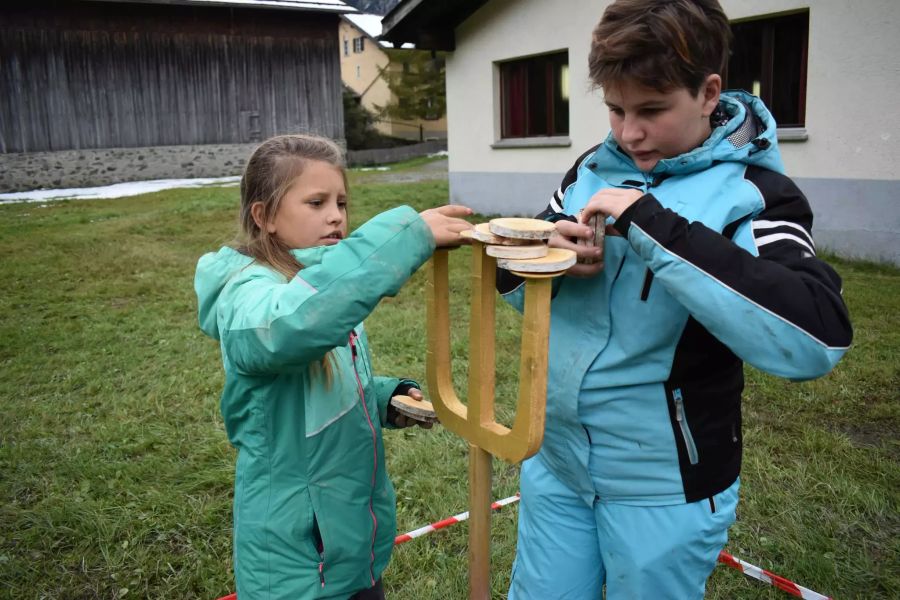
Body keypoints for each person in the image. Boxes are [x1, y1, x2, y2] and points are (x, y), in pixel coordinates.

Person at [497, 1, 853, 598]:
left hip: (665, 487)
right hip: (555, 465)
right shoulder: (591, 167)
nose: (627, 132)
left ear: (710, 92)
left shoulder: (759, 195)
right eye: (615, 108)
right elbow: (513, 284)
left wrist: (653, 225)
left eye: (652, 110)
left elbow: (817, 338)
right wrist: (547, 261)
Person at [194, 134, 472, 599]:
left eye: (341, 201)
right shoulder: (248, 293)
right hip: (294, 559)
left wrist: (383, 397)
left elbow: (317, 384)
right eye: (316, 201)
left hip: (348, 544)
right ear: (264, 217)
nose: (336, 215)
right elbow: (287, 329)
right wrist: (404, 239)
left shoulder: (325, 285)